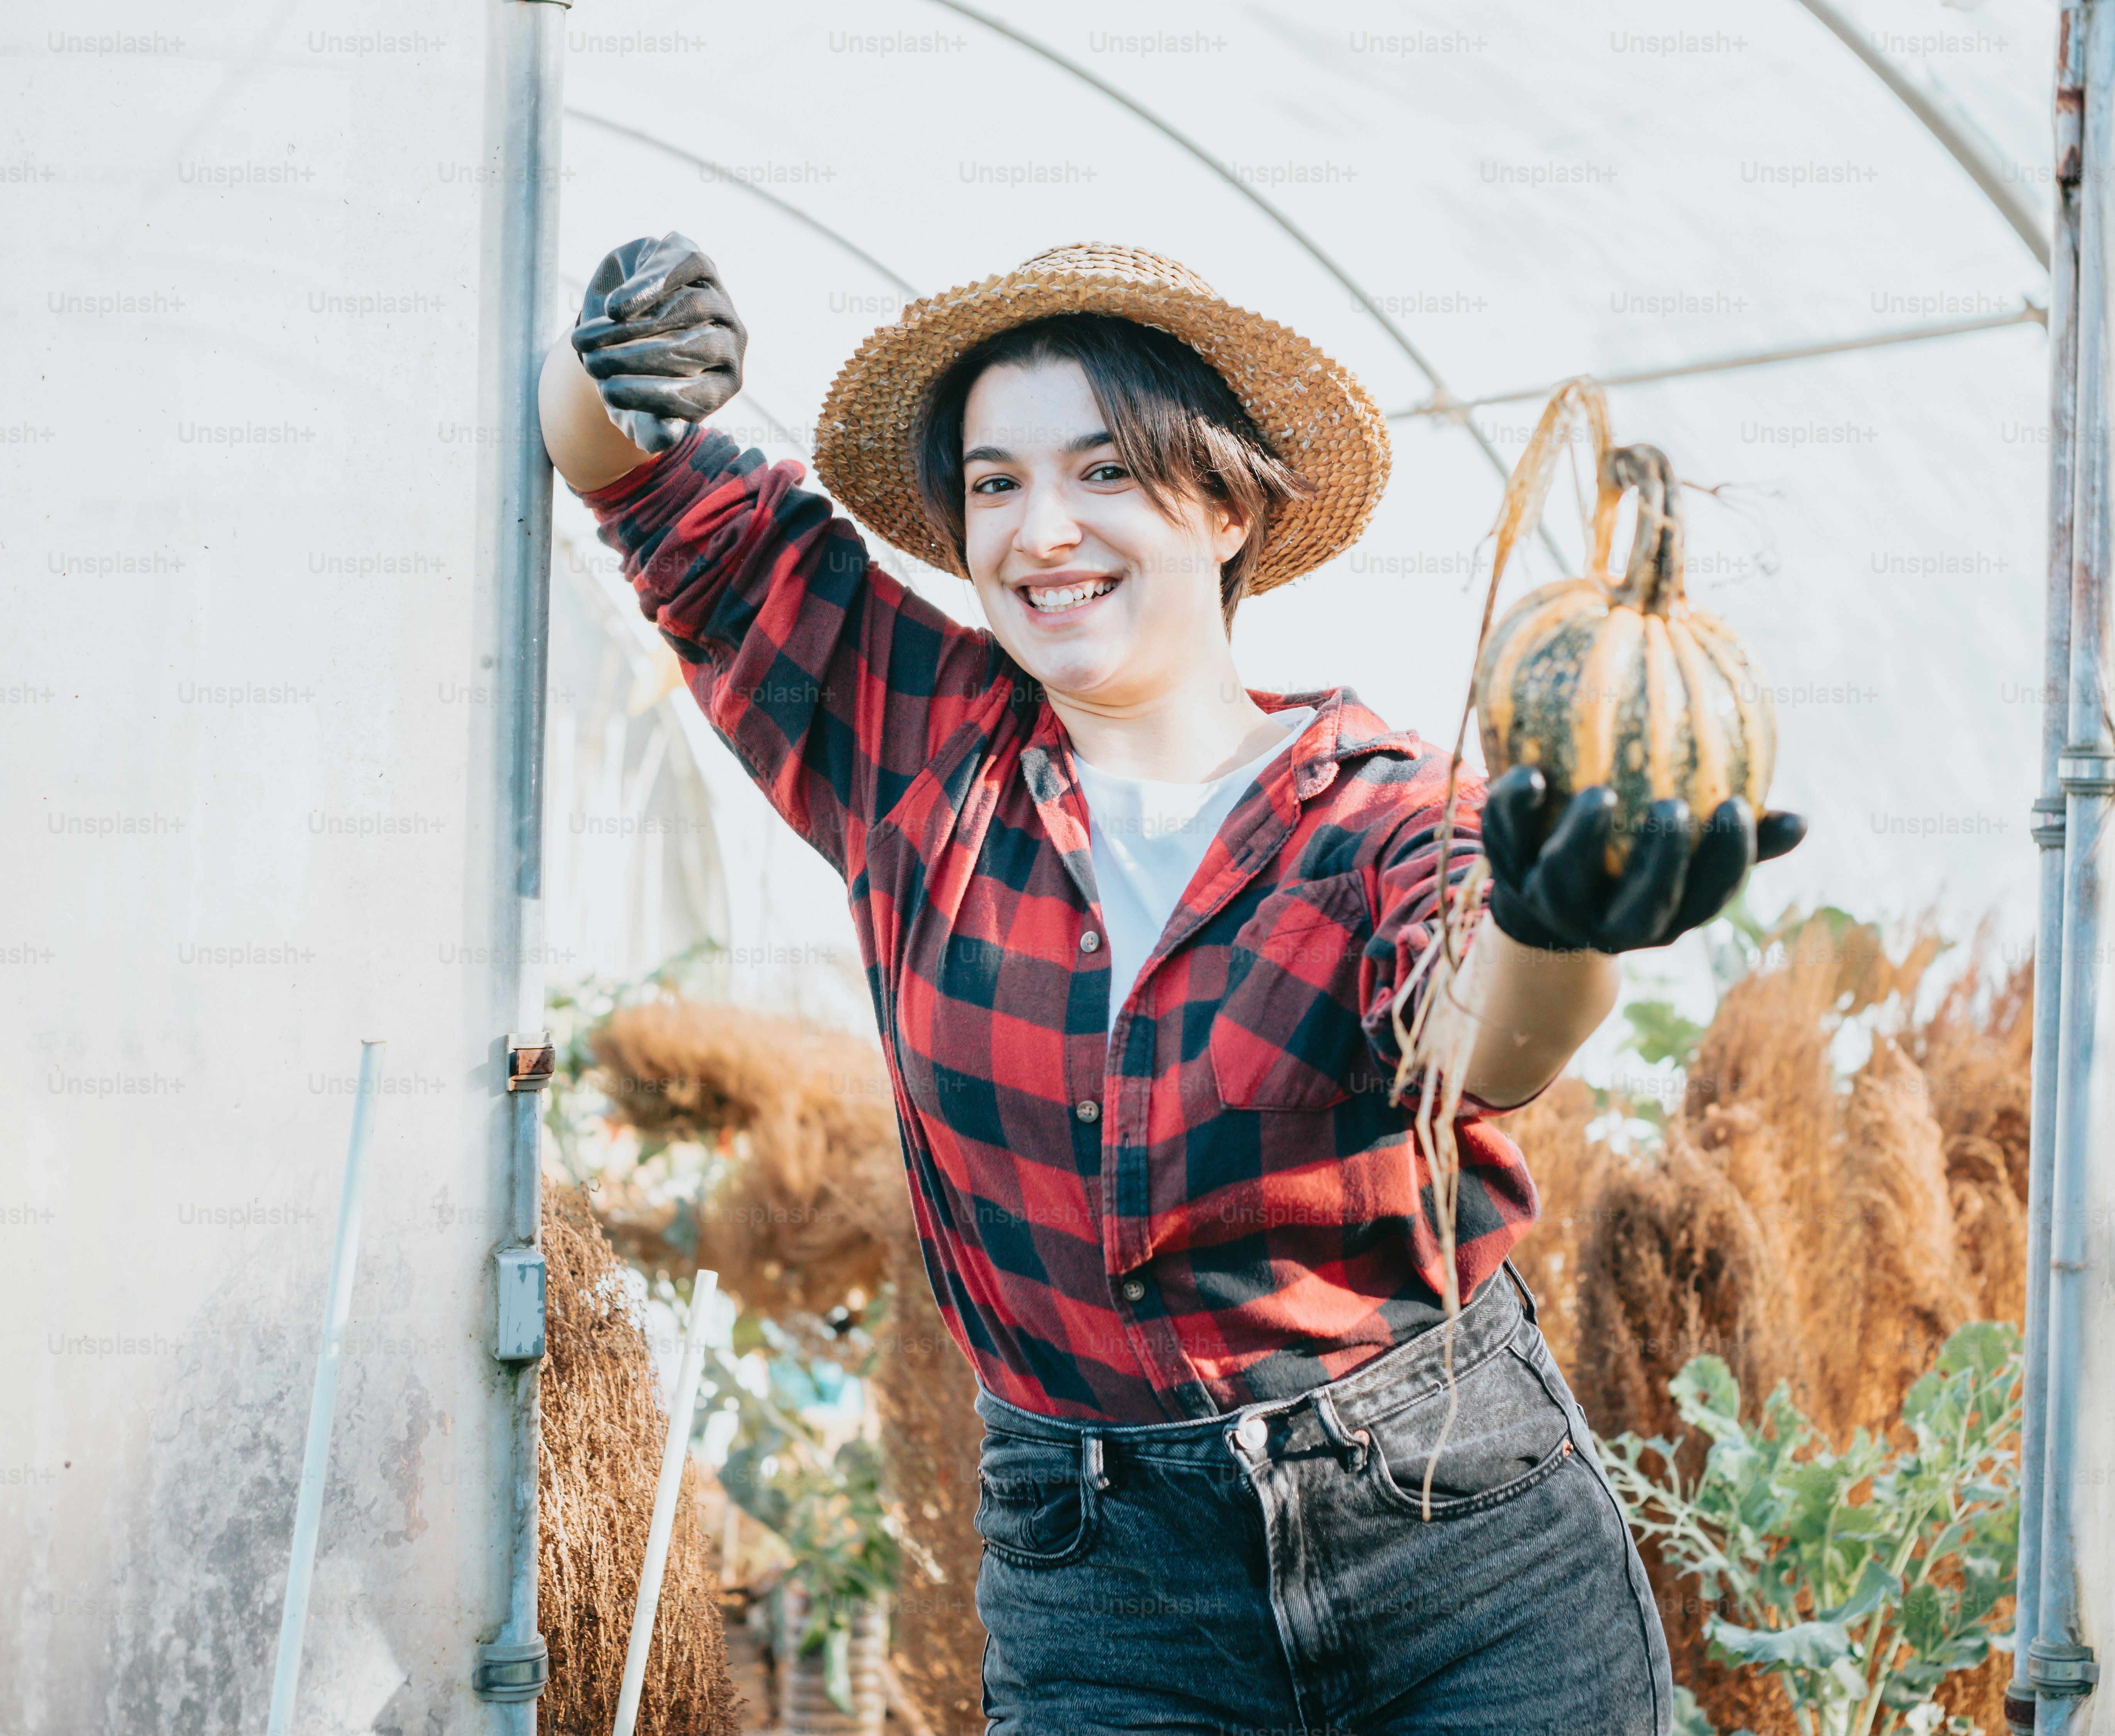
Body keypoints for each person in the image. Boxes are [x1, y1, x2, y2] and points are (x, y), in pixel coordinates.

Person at [540, 234, 1803, 1736]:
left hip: (1459, 1551)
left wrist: (1561, 922)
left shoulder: (1379, 813)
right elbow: (634, 481)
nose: (1039, 528)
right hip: (1110, 1596)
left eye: (1103, 472)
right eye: (995, 482)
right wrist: (608, 355)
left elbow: (1491, 1029)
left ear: (1223, 503)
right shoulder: (917, 752)